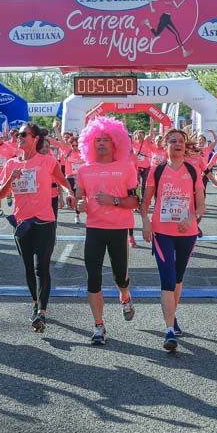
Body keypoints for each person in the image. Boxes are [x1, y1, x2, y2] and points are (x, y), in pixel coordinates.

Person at [0, 123, 74, 332]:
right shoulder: (11, 164)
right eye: (17, 135)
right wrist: (11, 180)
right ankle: (35, 303)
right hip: (22, 223)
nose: (19, 138)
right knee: (28, 268)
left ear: (35, 139)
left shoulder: (47, 161)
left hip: (44, 221)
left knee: (42, 267)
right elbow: (2, 195)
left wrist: (69, 193)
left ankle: (42, 312)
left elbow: (63, 181)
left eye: (23, 134)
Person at [74, 117, 139, 344]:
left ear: (116, 144)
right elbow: (78, 198)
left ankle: (125, 295)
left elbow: (135, 201)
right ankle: (99, 326)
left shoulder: (126, 167)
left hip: (118, 228)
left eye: (106, 140)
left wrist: (114, 201)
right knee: (93, 278)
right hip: (94, 228)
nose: (101, 144)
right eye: (97, 140)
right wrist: (78, 205)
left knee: (120, 276)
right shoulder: (84, 169)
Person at [141, 128, 205, 353]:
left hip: (187, 233)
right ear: (165, 145)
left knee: (178, 278)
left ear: (185, 146)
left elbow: (201, 205)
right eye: (173, 141)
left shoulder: (193, 170)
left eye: (181, 141)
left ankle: (172, 315)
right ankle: (169, 330)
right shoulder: (156, 171)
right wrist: (146, 222)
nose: (178, 144)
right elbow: (145, 202)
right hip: (162, 232)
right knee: (167, 279)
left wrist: (191, 217)